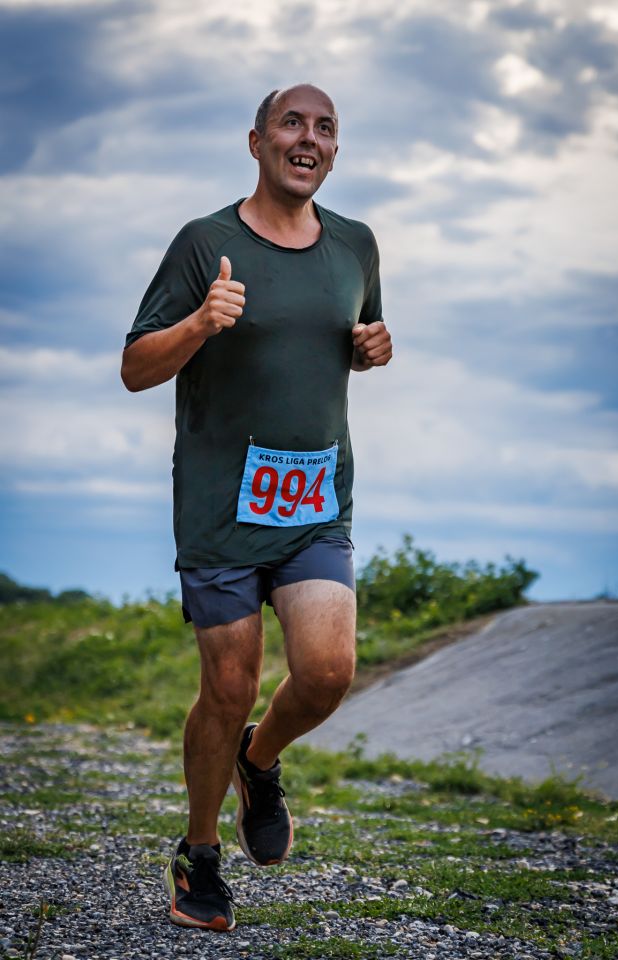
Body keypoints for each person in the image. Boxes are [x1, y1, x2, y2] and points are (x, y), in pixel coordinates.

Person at [121, 83, 393, 932]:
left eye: (324, 128)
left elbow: (350, 337)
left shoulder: (357, 245)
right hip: (220, 506)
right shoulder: (206, 243)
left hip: (314, 499)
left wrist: (373, 348)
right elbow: (135, 366)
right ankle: (200, 856)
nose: (307, 138)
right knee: (229, 682)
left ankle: (259, 760)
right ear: (256, 142)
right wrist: (201, 322)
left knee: (325, 673)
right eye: (291, 124)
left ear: (335, 151)